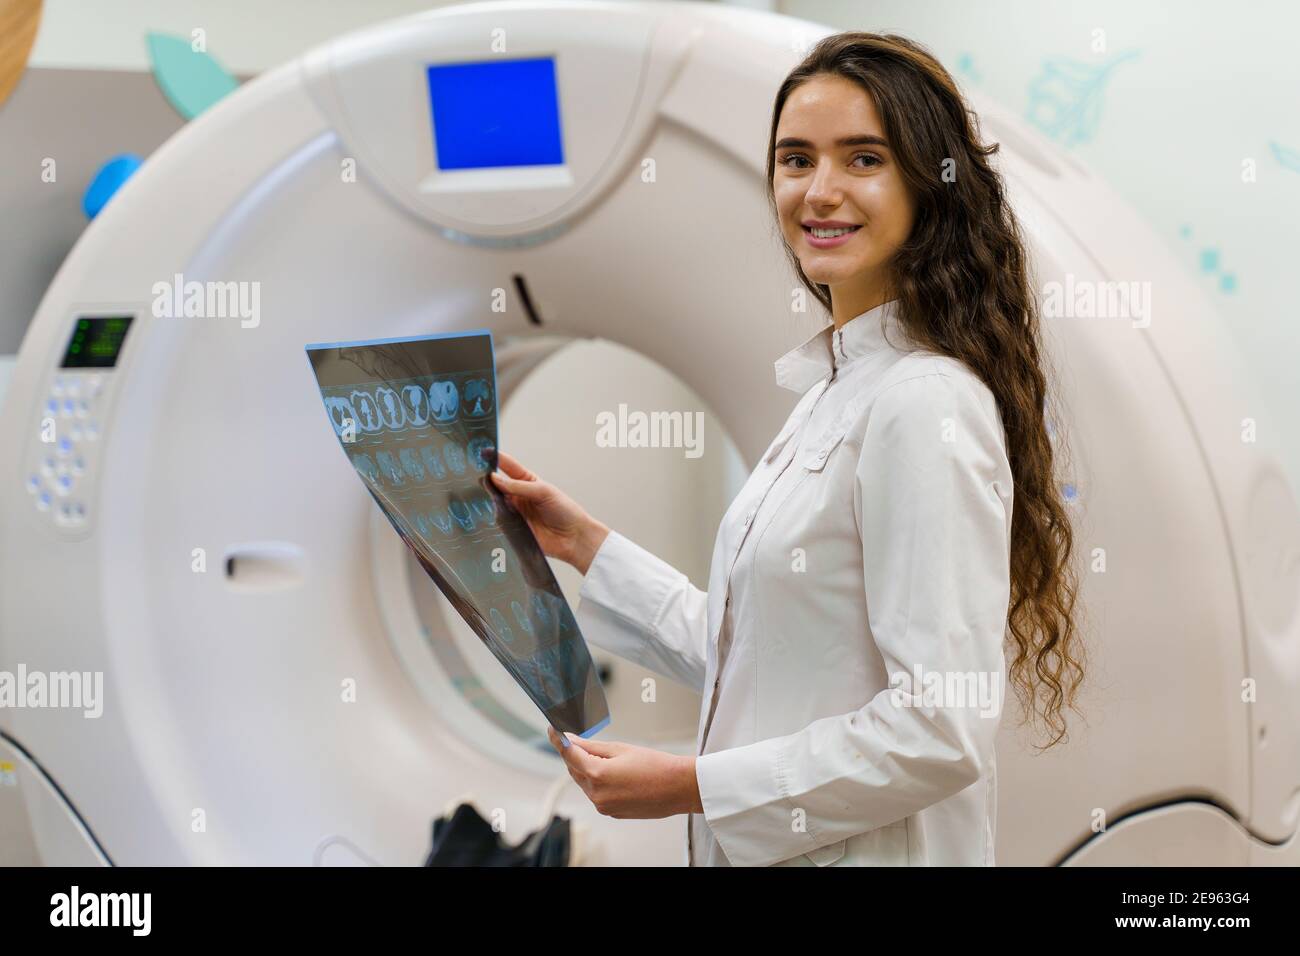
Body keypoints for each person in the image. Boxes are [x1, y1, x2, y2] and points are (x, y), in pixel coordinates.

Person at [490, 32, 1084, 867]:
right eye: (796, 159)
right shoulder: (831, 392)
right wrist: (585, 545)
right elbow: (760, 651)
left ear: (928, 184)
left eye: (864, 158)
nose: (820, 191)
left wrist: (695, 785)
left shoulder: (921, 401)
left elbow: (940, 728)